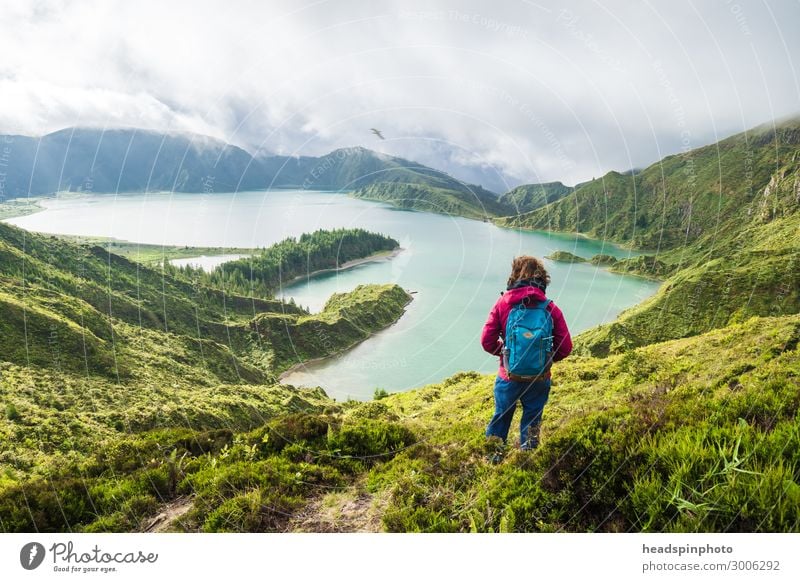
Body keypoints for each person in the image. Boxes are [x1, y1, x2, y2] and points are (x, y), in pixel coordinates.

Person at [480, 255, 572, 460]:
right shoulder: (550, 308)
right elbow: (565, 347)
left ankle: (493, 459)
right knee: (532, 420)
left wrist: (507, 355)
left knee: (501, 417)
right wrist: (543, 360)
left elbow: (487, 341)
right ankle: (527, 461)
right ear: (542, 279)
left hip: (508, 376)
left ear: (514, 275)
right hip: (539, 378)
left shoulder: (503, 304)